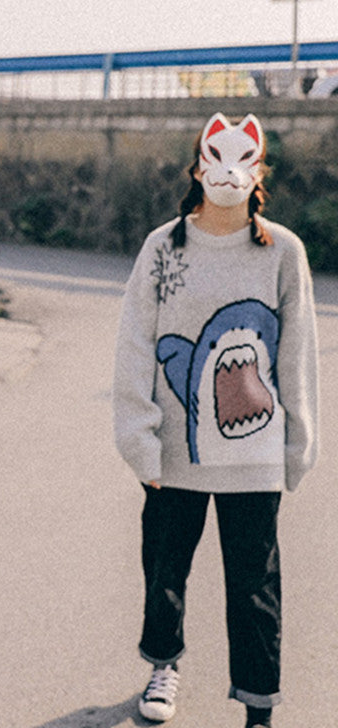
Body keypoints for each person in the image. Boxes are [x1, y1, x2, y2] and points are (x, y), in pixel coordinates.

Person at [112, 112, 318, 728]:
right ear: (198, 168)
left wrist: (299, 443)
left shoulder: (283, 251)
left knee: (255, 586)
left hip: (254, 458)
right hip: (172, 455)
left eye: (243, 160)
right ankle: (163, 664)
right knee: (164, 571)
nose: (227, 173)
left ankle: (258, 704)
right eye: (216, 159)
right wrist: (138, 438)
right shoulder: (163, 246)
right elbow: (135, 343)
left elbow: (297, 351)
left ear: (260, 173)